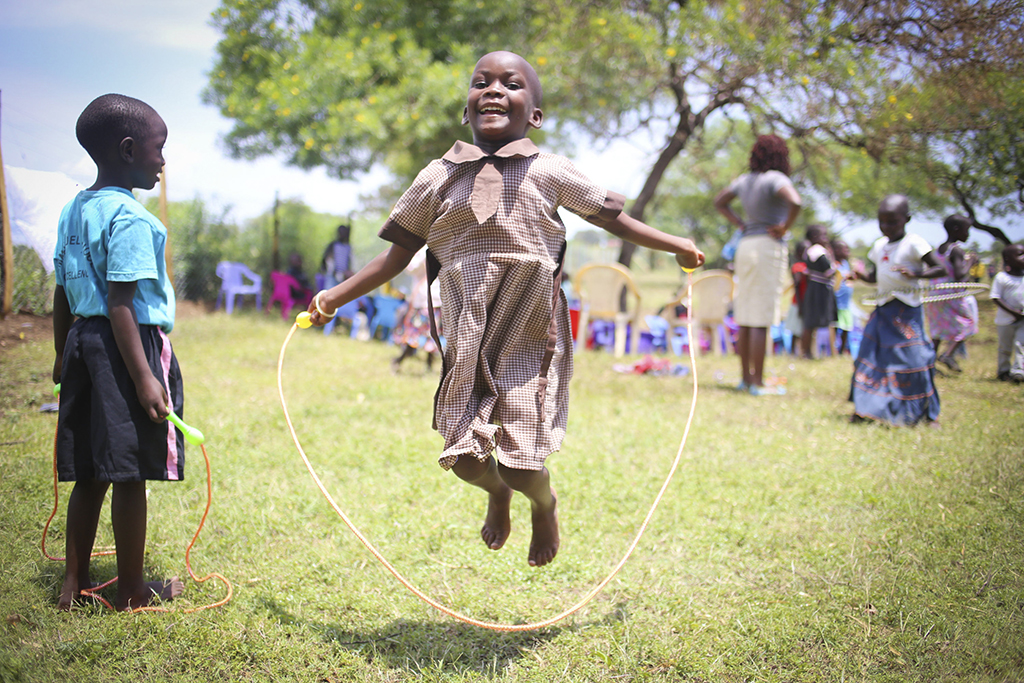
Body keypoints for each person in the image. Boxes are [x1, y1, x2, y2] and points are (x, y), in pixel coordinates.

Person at [305, 51, 704, 567]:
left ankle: (543, 501)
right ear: (465, 110)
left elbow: (616, 221)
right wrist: (333, 297)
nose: (493, 90)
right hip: (468, 333)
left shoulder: (551, 170)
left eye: (510, 84)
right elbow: (396, 255)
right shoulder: (436, 177)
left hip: (528, 330)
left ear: (534, 115)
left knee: (521, 463)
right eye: (480, 83)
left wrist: (674, 244)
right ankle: (496, 493)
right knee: (466, 460)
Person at [51, 94, 185, 611]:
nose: (163, 161)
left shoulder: (74, 211)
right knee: (129, 472)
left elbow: (63, 291)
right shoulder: (132, 219)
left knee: (90, 471)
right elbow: (121, 303)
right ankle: (131, 590)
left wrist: (62, 354)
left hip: (84, 344)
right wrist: (147, 378)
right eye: (159, 149)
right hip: (127, 347)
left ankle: (74, 584)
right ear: (129, 150)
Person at [714, 134, 802, 395]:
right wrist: (785, 226)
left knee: (745, 315)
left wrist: (740, 223)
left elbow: (720, 201)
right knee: (761, 318)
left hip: (745, 246)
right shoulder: (776, 178)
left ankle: (745, 379)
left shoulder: (744, 180)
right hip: (767, 246)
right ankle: (758, 383)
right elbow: (795, 201)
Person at [849, 195, 947, 426]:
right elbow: (877, 276)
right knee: (869, 357)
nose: (886, 227)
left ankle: (924, 413)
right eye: (881, 221)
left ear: (907, 219)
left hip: (906, 312)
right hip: (882, 311)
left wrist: (916, 274)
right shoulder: (879, 246)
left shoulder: (914, 243)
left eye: (892, 222)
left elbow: (939, 268)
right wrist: (862, 276)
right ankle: (868, 410)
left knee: (914, 361)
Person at [925, 214, 979, 372]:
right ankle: (948, 354)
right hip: (951, 295)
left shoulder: (938, 249)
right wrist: (970, 262)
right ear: (956, 230)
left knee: (937, 330)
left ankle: (929, 363)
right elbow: (959, 275)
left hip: (935, 294)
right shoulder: (956, 250)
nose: (968, 234)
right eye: (966, 230)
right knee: (968, 323)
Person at [391, 248, 442, 373]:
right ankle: (398, 360)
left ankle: (429, 367)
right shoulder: (422, 250)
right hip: (423, 301)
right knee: (415, 335)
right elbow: (411, 269)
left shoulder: (443, 245)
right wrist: (426, 253)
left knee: (432, 336)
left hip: (437, 300)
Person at [800, 225, 838, 359]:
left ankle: (806, 352)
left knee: (810, 322)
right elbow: (829, 272)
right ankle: (809, 352)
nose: (826, 238)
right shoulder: (819, 252)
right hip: (820, 290)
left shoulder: (809, 251)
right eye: (823, 235)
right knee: (813, 321)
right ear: (814, 237)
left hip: (813, 288)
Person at [990, 243, 1024, 382]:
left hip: (1022, 320)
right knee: (1005, 347)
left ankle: (1018, 372)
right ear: (1008, 259)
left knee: (1020, 345)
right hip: (1005, 320)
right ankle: (1003, 371)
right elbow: (995, 297)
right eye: (1020, 254)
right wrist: (1013, 312)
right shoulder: (1002, 277)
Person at [783, 239, 809, 357]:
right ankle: (792, 352)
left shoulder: (808, 266)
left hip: (806, 302)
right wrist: (801, 305)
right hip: (798, 303)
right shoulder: (798, 267)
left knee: (803, 329)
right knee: (796, 330)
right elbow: (797, 286)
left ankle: (801, 351)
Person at [831, 238, 855, 355]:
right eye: (844, 249)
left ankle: (842, 351)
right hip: (836, 303)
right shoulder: (833, 265)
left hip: (846, 304)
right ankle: (833, 349)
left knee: (847, 327)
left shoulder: (846, 264)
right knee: (835, 327)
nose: (847, 251)